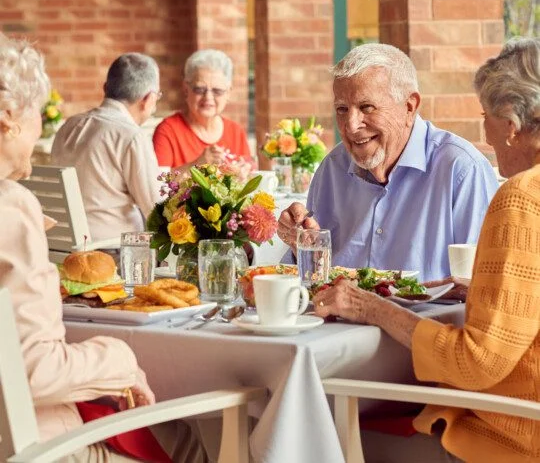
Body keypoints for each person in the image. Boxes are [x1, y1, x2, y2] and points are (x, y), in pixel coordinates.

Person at [313, 37, 540, 463]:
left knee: (309, 440)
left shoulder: (522, 199)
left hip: (510, 432)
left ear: (511, 125)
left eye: (485, 117)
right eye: (342, 110)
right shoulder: (332, 168)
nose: (483, 133)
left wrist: (374, 308)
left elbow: (479, 364)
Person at [0, 35, 207, 461]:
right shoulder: (11, 208)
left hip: (69, 265)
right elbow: (35, 372)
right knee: (194, 436)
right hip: (36, 447)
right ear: (8, 119)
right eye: (37, 113)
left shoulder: (73, 127)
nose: (40, 126)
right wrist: (121, 360)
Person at [278, 43, 500, 282]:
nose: (351, 125)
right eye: (342, 109)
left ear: (409, 106)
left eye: (367, 107)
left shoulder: (462, 171)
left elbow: (484, 287)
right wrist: (302, 248)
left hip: (427, 318)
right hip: (336, 319)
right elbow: (314, 280)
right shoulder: (332, 169)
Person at [51, 53, 161, 243]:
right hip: (114, 251)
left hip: (64, 247)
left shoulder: (68, 126)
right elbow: (156, 209)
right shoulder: (131, 135)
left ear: (106, 88)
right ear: (148, 99)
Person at [152, 49, 252, 173]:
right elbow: (156, 184)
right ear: (186, 89)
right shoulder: (167, 130)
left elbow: (251, 181)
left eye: (217, 91)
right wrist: (197, 165)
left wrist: (243, 177)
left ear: (228, 93)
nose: (208, 97)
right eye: (199, 89)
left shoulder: (236, 132)